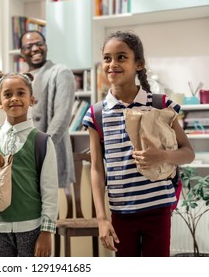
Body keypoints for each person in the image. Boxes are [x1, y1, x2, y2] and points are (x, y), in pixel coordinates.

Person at [82, 31, 195, 257]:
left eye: (121, 57)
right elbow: (96, 168)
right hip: (121, 212)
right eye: (107, 58)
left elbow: (188, 153)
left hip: (158, 209)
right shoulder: (95, 113)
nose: (113, 64)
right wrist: (102, 219)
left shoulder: (160, 104)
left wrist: (162, 156)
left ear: (139, 64)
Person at [0, 70, 58, 257]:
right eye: (8, 94)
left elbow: (49, 191)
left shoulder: (42, 142)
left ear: (32, 100)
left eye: (21, 93)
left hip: (32, 227)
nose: (14, 99)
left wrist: (46, 232)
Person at [19, 30, 75, 189]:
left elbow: (62, 116)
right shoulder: (20, 78)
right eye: (29, 46)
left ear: (46, 47)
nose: (35, 49)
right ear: (22, 52)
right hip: (22, 155)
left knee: (50, 210)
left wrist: (42, 150)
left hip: (48, 152)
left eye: (39, 44)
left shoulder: (60, 72)